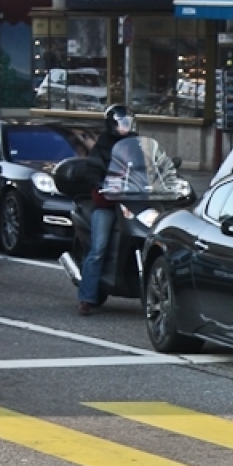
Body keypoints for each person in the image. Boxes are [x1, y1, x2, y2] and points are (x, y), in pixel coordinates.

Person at [77, 104, 134, 316]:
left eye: (127, 123)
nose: (125, 127)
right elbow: (92, 168)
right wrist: (100, 183)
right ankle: (86, 297)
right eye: (121, 123)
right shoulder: (102, 145)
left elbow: (148, 164)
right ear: (112, 124)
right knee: (99, 247)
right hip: (108, 201)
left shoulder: (135, 143)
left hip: (132, 200)